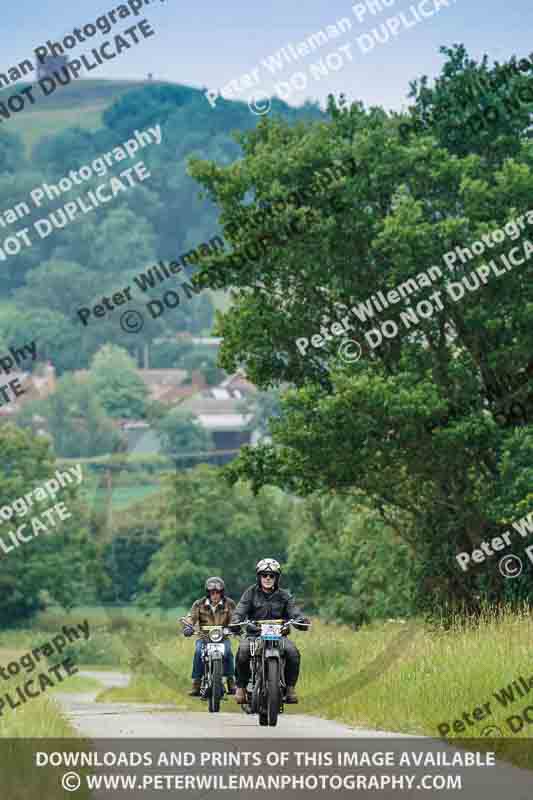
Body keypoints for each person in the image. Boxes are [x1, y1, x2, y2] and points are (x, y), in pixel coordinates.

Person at [231, 558, 310, 705]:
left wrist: (301, 620)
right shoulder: (250, 593)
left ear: (276, 578)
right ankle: (241, 688)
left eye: (271, 575)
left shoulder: (285, 595)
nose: (267, 578)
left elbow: (294, 612)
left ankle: (290, 689)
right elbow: (240, 610)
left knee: (293, 653)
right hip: (255, 635)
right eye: (264, 575)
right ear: (259, 577)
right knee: (243, 651)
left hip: (279, 636)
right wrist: (236, 620)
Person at [182, 576, 236, 696]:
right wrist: (188, 627)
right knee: (198, 652)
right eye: (212, 592)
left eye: (218, 592)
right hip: (204, 637)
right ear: (208, 593)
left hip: (222, 638)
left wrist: (235, 627)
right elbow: (191, 617)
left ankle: (231, 681)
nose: (215, 595)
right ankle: (196, 683)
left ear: (222, 593)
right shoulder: (199, 604)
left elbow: (235, 619)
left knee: (228, 652)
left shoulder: (229, 604)